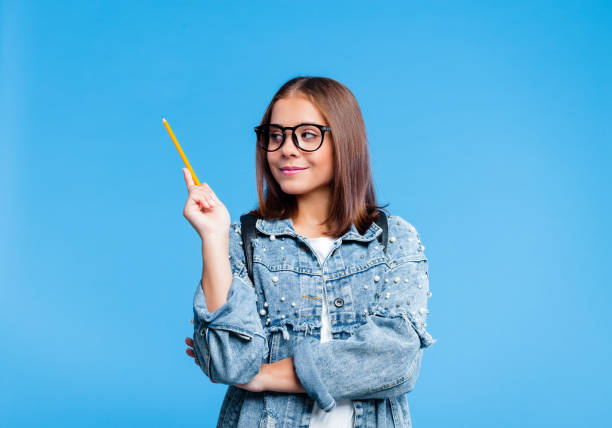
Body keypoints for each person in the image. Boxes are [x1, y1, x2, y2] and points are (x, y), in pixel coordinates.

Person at [182, 76, 437, 427]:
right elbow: (229, 363)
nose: (287, 148)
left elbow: (395, 361)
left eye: (307, 135)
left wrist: (262, 377)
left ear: (345, 141)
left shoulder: (393, 239)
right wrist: (212, 236)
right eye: (276, 136)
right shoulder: (243, 241)